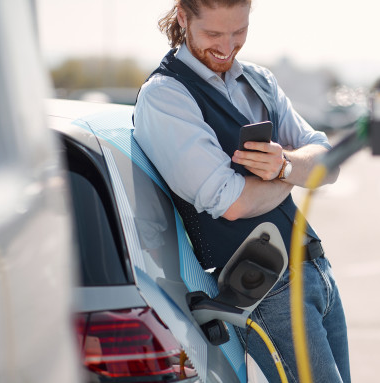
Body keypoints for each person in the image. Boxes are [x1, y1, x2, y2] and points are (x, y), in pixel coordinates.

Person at [132, 1, 351, 382]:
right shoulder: (165, 96)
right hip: (268, 290)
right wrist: (293, 172)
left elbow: (326, 163)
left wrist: (282, 166)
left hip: (317, 270)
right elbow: (232, 202)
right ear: (183, 18)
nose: (227, 46)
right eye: (214, 34)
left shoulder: (258, 79)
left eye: (239, 31)